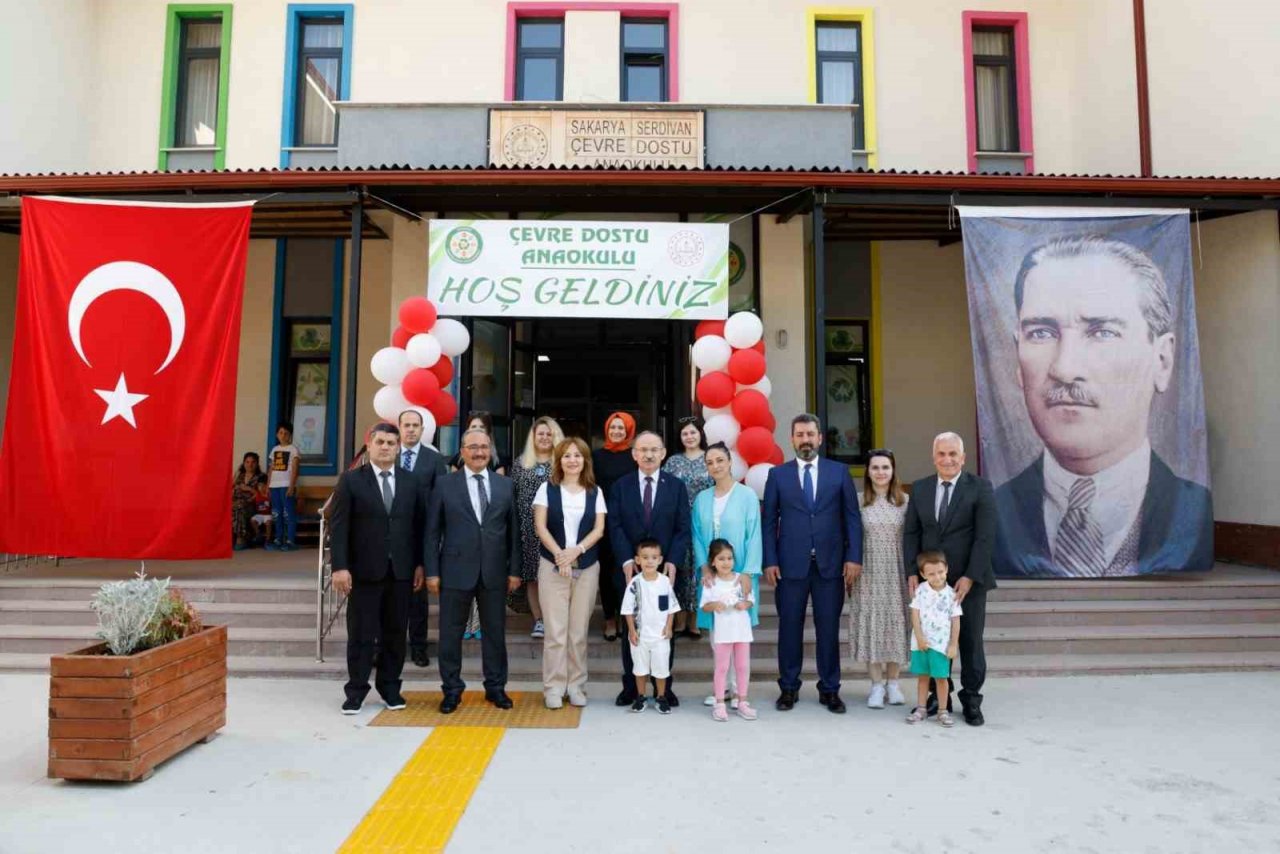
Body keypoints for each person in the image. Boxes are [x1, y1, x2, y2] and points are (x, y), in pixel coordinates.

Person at [995, 235, 1213, 577]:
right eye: (1041, 333)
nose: (1065, 368)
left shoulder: (1194, 511)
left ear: (1162, 360)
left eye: (1103, 332)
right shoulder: (993, 512)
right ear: (1017, 357)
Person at [762, 414, 862, 714]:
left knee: (828, 630)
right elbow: (769, 522)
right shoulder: (777, 475)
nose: (805, 440)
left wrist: (853, 557)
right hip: (789, 566)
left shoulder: (839, 472)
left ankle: (830, 689)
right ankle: (788, 687)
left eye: (810, 434)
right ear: (791, 439)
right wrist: (770, 560)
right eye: (799, 435)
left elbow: (852, 518)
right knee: (789, 628)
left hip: (830, 566)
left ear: (819, 438)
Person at [328, 422, 425, 715]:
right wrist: (340, 567)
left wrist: (420, 564)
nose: (385, 447)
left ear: (398, 448)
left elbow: (418, 527)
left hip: (401, 572)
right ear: (369, 445)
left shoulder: (411, 482)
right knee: (361, 634)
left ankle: (390, 688)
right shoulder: (351, 481)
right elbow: (339, 527)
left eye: (391, 443)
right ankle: (356, 691)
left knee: (395, 634)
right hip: (363, 572)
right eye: (380, 442)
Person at [425, 427, 522, 714]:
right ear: (462, 452)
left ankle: (496, 687)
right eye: (473, 447)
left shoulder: (505, 485)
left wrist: (514, 571)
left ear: (490, 451)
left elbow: (514, 532)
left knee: (495, 634)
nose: (479, 452)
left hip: (494, 571)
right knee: (450, 635)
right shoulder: (444, 484)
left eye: (484, 447)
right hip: (454, 570)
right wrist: (432, 571)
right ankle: (452, 690)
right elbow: (432, 532)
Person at [902, 432, 996, 726]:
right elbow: (912, 532)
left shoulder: (980, 488)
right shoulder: (920, 488)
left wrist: (970, 576)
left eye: (953, 454)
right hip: (931, 584)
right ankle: (938, 697)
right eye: (942, 454)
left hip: (968, 582)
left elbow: (985, 537)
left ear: (963, 458)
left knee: (969, 641)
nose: (947, 459)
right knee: (933, 640)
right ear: (934, 458)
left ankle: (971, 699)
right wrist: (912, 572)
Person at [608, 430, 689, 707]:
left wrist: (673, 560)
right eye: (643, 450)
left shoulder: (676, 486)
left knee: (664, 629)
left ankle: (664, 688)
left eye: (654, 449)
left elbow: (682, 528)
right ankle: (632, 687)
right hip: (631, 572)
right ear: (634, 454)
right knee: (632, 628)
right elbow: (615, 526)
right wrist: (626, 559)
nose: (649, 455)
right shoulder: (621, 486)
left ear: (663, 453)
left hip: (665, 574)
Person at [533, 436, 606, 709]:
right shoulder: (547, 489)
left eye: (577, 455)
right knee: (555, 632)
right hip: (552, 567)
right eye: (567, 456)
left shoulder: (595, 492)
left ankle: (576, 686)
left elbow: (599, 529)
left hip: (586, 568)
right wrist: (560, 555)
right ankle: (553, 687)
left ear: (585, 460)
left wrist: (576, 551)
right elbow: (540, 527)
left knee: (578, 633)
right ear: (559, 460)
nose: (572, 460)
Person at [692, 441, 762, 707]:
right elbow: (697, 535)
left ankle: (738, 690)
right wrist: (704, 566)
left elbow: (754, 535)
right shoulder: (702, 499)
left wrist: (748, 572)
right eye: (709, 462)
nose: (715, 466)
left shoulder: (746, 496)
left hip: (739, 574)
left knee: (738, 632)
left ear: (730, 462)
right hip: (712, 576)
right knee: (717, 633)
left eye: (720, 460)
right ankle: (722, 690)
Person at [849, 448, 912, 709]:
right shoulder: (858, 501)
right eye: (875, 467)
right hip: (868, 571)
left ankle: (893, 683)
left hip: (897, 571)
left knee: (895, 624)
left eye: (885, 467)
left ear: (893, 470)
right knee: (872, 624)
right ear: (868, 472)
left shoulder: (905, 501)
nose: (880, 472)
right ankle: (876, 685)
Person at [449, 410, 505, 640]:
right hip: (463, 543)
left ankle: (477, 624)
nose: (476, 431)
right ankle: (466, 625)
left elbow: (500, 499)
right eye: (473, 427)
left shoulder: (497, 461)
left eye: (481, 427)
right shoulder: (457, 460)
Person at [398, 409, 448, 669]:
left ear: (422, 429)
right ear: (399, 427)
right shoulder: (388, 454)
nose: (410, 429)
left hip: (423, 536)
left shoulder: (434, 459)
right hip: (392, 537)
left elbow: (442, 498)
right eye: (406, 425)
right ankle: (388, 648)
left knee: (418, 598)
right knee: (391, 598)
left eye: (415, 425)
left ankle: (419, 647)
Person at [513, 416, 566, 641]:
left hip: (556, 529)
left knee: (554, 576)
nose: (544, 437)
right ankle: (539, 620)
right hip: (527, 529)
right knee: (532, 576)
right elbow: (512, 496)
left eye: (548, 433)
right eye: (540, 434)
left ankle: (556, 620)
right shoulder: (521, 463)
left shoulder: (563, 462)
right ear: (533, 437)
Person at [662, 416, 713, 637]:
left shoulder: (710, 458)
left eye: (693, 432)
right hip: (678, 522)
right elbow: (664, 490)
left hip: (704, 521)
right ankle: (679, 619)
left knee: (700, 569)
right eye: (685, 433)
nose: (689, 436)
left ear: (700, 434)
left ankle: (696, 619)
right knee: (680, 569)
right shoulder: (673, 461)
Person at [620, 538, 680, 714]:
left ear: (660, 560)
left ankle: (661, 697)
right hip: (640, 636)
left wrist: (669, 627)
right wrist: (632, 631)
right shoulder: (634, 584)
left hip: (660, 635)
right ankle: (641, 697)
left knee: (661, 669)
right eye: (645, 557)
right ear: (637, 560)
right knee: (639, 668)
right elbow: (628, 610)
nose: (649, 561)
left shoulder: (665, 582)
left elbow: (671, 608)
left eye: (654, 557)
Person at [699, 539, 757, 722]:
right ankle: (719, 703)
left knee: (742, 666)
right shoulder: (711, 583)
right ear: (713, 562)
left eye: (729, 558)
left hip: (742, 631)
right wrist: (715, 605)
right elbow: (704, 606)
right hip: (723, 632)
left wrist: (744, 604)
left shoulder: (741, 579)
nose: (726, 562)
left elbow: (750, 600)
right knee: (722, 667)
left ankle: (742, 701)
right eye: (721, 559)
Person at [592, 410, 638, 642]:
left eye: (621, 428)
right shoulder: (596, 456)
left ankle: (625, 615)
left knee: (626, 569)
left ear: (628, 430)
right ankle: (609, 617)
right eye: (613, 427)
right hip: (602, 520)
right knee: (606, 570)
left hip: (629, 521)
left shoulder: (635, 456)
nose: (616, 431)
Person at [905, 551, 962, 728]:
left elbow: (956, 621)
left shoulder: (952, 594)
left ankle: (942, 711)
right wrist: (919, 638)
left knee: (941, 678)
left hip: (941, 646)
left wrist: (953, 644)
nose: (937, 577)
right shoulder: (920, 591)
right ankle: (921, 708)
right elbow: (915, 615)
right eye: (931, 574)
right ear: (923, 575)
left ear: (946, 569)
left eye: (940, 572)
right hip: (922, 644)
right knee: (923, 677)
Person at [265, 421, 300, 551]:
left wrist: (291, 486)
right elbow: (271, 469)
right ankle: (278, 539)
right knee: (277, 513)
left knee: (288, 513)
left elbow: (295, 469)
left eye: (286, 433)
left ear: (290, 435)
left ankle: (290, 540)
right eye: (280, 433)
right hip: (274, 485)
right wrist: (268, 485)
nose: (283, 435)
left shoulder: (293, 450)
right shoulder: (274, 450)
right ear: (277, 434)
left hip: (286, 485)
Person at [231, 452, 267, 551]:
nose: (250, 465)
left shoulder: (261, 476)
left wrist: (249, 489)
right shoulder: (239, 475)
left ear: (257, 464)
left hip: (253, 505)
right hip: (235, 503)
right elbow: (231, 489)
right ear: (243, 463)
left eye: (253, 462)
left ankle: (240, 539)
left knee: (240, 507)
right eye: (247, 462)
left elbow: (262, 495)